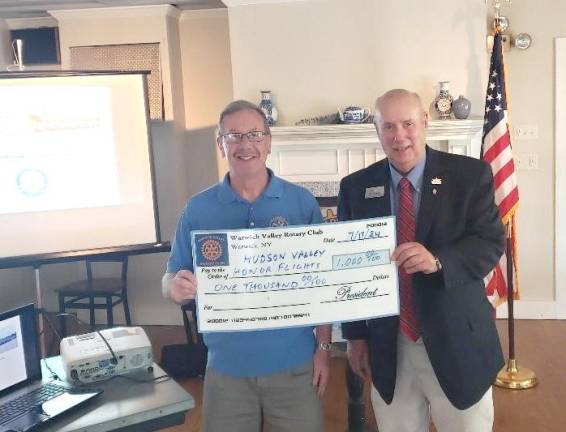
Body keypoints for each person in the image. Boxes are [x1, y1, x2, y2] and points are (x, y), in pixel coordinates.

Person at [338, 89, 505, 432]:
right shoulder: (355, 187)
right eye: (388, 127)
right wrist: (355, 338)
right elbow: (348, 269)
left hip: (457, 338)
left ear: (425, 123)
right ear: (377, 130)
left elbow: (490, 242)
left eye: (408, 124)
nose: (399, 136)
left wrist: (439, 261)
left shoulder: (469, 175)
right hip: (389, 346)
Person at [162, 99, 331, 432]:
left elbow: (322, 284)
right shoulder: (198, 209)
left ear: (268, 141)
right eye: (234, 136)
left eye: (254, 134)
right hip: (226, 372)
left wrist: (324, 349)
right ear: (220, 144)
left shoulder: (301, 203)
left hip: (295, 367)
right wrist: (174, 287)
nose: (245, 144)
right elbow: (169, 277)